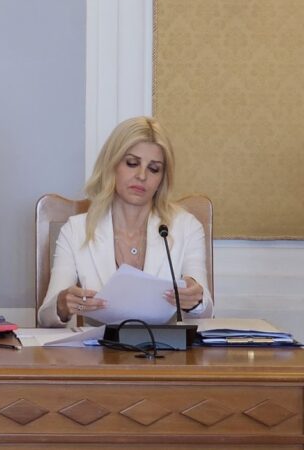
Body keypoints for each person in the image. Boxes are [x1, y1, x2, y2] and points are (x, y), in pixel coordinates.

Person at [37, 115, 213, 327]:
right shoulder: (76, 230)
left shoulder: (186, 227)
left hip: (164, 347)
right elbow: (46, 318)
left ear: (162, 179)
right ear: (111, 164)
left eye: (154, 168)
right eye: (132, 163)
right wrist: (62, 305)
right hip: (99, 346)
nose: (142, 176)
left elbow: (205, 313)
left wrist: (195, 300)